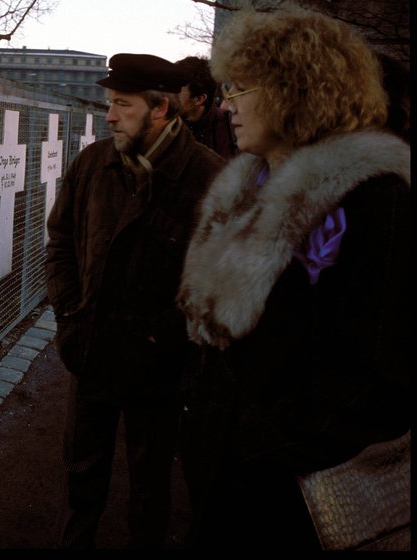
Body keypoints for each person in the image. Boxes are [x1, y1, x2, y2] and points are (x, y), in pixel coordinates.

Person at [175, 5, 410, 550]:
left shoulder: (377, 201)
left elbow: (380, 381)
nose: (228, 103)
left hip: (292, 502)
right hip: (225, 479)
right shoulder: (247, 190)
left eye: (244, 88)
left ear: (296, 88)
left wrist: (254, 443)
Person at [45, 53, 226, 549]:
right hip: (90, 352)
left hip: (160, 371)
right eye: (109, 103)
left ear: (160, 109)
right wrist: (68, 314)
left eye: (121, 105)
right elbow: (59, 240)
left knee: (150, 490)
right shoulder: (92, 164)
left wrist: (158, 338)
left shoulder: (210, 180)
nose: (109, 115)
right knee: (80, 478)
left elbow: (216, 284)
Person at [174, 56, 236, 158]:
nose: (169, 96)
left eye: (177, 91)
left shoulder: (230, 130)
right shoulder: (170, 126)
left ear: (199, 99)